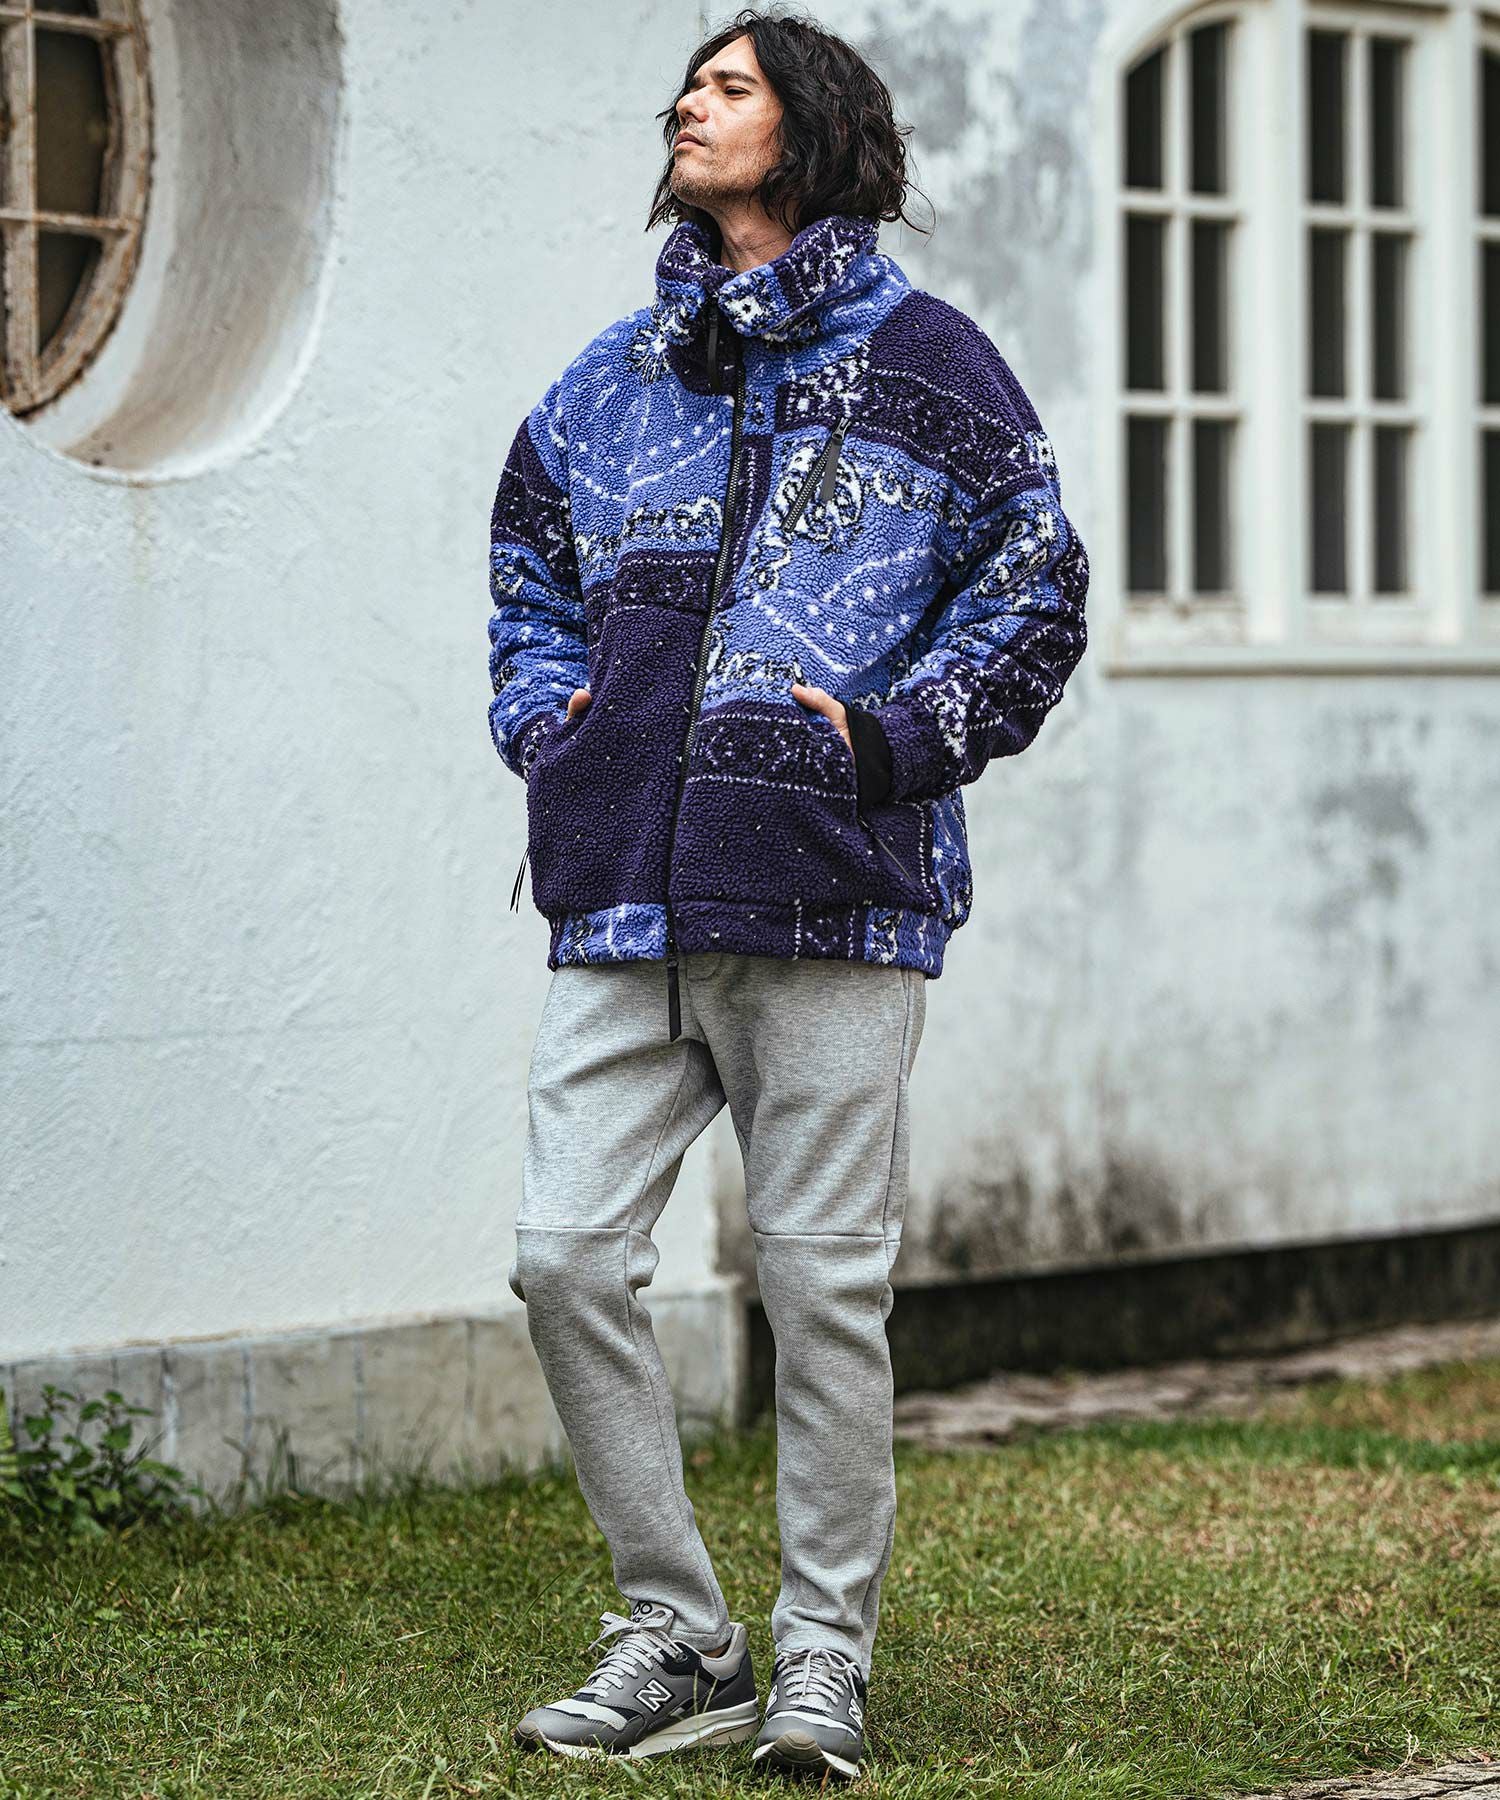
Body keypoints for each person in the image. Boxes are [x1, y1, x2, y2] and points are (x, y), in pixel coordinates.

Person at [487, 5, 1089, 1778]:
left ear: (811, 133)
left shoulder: (934, 364)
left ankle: (823, 1660)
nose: (688, 103)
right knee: (563, 1259)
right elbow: (526, 564)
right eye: (690, 82)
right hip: (623, 894)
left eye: (730, 85)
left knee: (823, 1291)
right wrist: (550, 725)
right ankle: (677, 1635)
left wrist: (893, 741)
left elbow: (1036, 587)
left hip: (834, 892)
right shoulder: (613, 378)